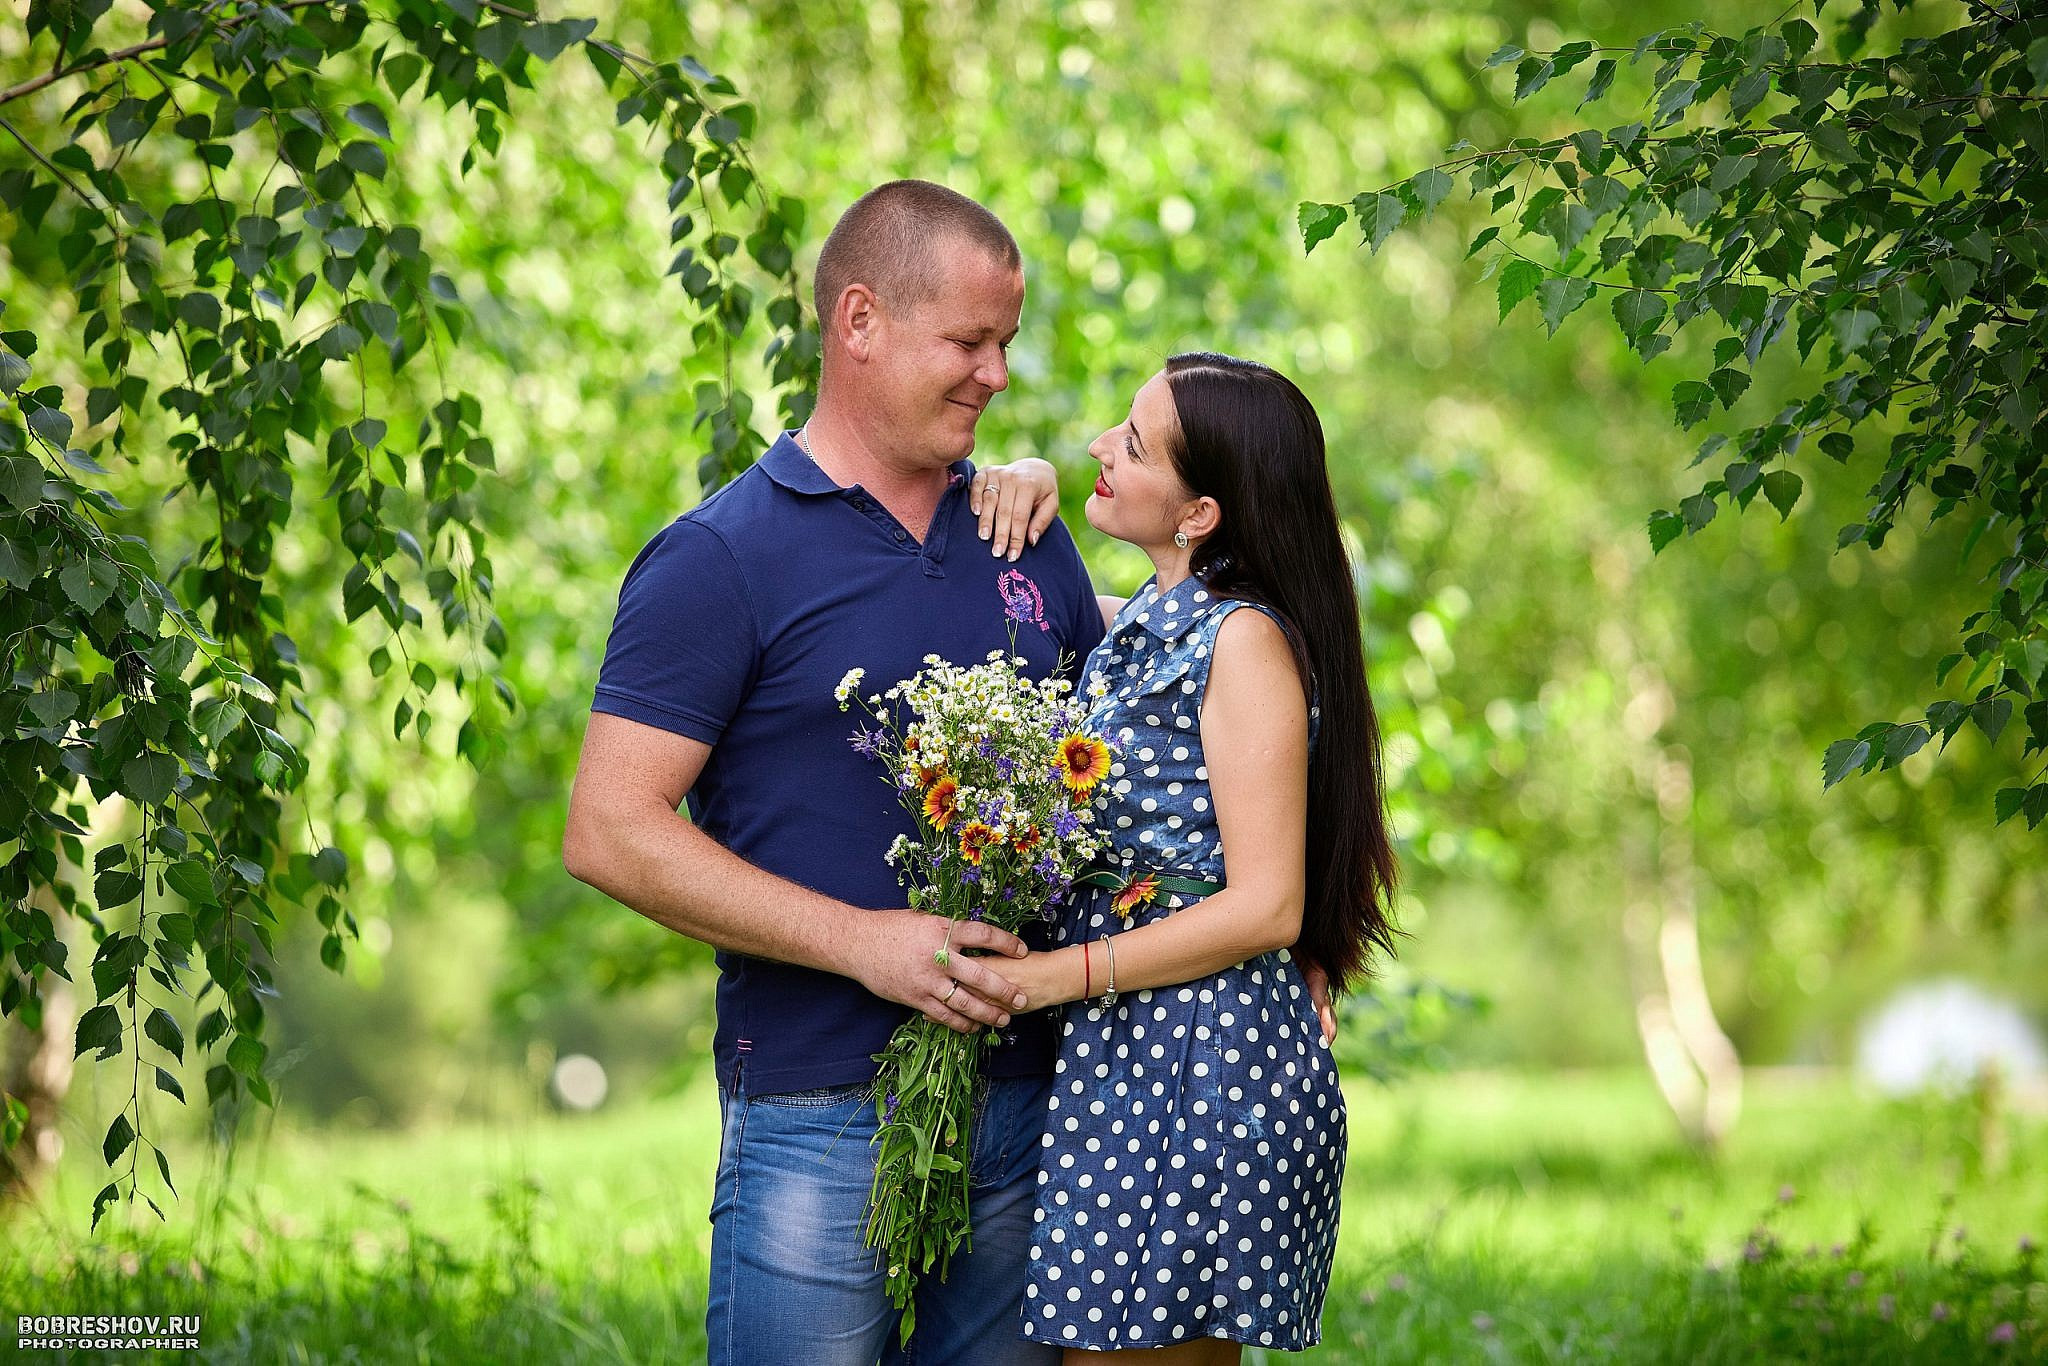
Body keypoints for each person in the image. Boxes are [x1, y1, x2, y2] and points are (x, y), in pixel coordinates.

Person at [563, 180, 1094, 1365]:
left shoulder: (1024, 534)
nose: (996, 374)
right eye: (967, 340)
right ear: (858, 322)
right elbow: (608, 829)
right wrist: (867, 941)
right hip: (815, 1119)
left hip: (1023, 1105)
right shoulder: (719, 558)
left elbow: (1153, 726)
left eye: (1006, 343)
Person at [999, 353, 1401, 1359]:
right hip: (1136, 1055)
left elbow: (1266, 905)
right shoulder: (1147, 621)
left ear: (1200, 514)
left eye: (1129, 443)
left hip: (1199, 1068)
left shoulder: (1239, 643)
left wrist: (1057, 976)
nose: (1097, 445)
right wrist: (1012, 478)